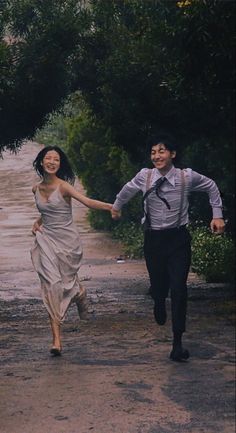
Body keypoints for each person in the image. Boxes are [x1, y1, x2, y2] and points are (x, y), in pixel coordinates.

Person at [111, 133, 225, 362]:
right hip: (153, 240)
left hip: (178, 239)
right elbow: (127, 190)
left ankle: (177, 343)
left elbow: (211, 186)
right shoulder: (145, 176)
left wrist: (217, 216)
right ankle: (158, 298)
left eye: (161, 151)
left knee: (180, 289)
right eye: (153, 152)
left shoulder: (186, 177)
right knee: (159, 284)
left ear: (172, 154)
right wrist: (116, 206)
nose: (156, 156)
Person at [31, 145, 112, 357]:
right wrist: (37, 222)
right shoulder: (35, 189)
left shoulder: (64, 187)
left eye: (55, 159)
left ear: (60, 164)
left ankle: (79, 293)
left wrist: (111, 207)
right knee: (52, 285)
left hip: (67, 243)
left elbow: (86, 202)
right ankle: (56, 339)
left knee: (65, 283)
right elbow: (46, 212)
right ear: (41, 162)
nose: (51, 162)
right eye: (48, 158)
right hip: (46, 240)